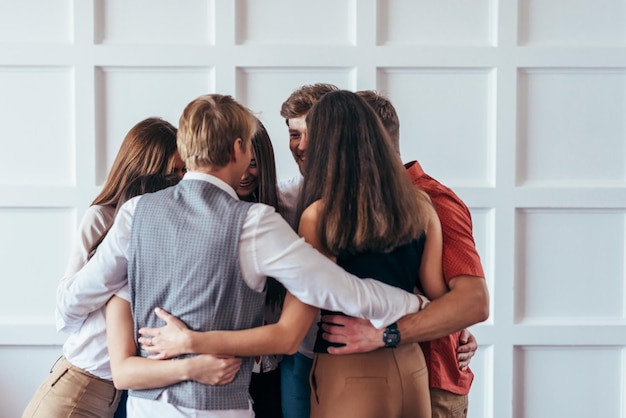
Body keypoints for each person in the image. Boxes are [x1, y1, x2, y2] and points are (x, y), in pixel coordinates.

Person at [57, 93, 429, 417]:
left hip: (145, 407)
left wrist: (65, 316)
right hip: (219, 410)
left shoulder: (134, 212)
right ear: (238, 149)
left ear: (185, 149)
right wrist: (412, 303)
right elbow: (340, 290)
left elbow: (83, 292)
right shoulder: (254, 223)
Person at [276, 83, 482, 418]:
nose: (302, 146)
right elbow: (442, 297)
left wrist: (195, 344)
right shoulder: (419, 204)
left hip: (351, 368)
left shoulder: (320, 215)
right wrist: (447, 323)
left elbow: (291, 329)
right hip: (411, 366)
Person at [22, 117, 187, 418]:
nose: (179, 180)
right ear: (147, 170)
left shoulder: (167, 228)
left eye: (182, 170)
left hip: (120, 394)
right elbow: (65, 310)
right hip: (78, 389)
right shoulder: (103, 219)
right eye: (172, 171)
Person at [237, 120, 285, 418]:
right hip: (224, 368)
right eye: (239, 163)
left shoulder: (282, 211)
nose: (244, 174)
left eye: (253, 164)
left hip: (272, 365)